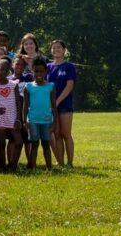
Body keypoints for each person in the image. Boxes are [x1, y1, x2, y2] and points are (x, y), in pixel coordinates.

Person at [24, 58, 59, 170]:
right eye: (36, 71)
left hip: (46, 121)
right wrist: (25, 121)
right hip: (33, 120)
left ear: (45, 72)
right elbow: (25, 106)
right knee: (34, 145)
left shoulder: (51, 86)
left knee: (46, 144)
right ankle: (31, 167)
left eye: (41, 71)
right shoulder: (28, 87)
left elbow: (54, 106)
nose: (39, 74)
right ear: (32, 72)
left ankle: (49, 168)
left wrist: (55, 122)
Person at [48, 39, 76, 167]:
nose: (56, 50)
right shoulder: (48, 67)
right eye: (54, 48)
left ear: (64, 50)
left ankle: (70, 163)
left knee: (66, 134)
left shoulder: (69, 67)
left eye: (58, 47)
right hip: (51, 106)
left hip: (65, 106)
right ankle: (60, 162)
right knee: (56, 134)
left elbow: (69, 86)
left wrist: (57, 101)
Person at [0, 59, 22, 172]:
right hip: (0, 117)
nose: (3, 72)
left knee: (19, 141)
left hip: (13, 117)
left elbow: (18, 102)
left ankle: (13, 165)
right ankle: (2, 165)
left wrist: (18, 118)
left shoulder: (13, 84)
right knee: (2, 143)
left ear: (9, 71)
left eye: (5, 70)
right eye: (1, 69)